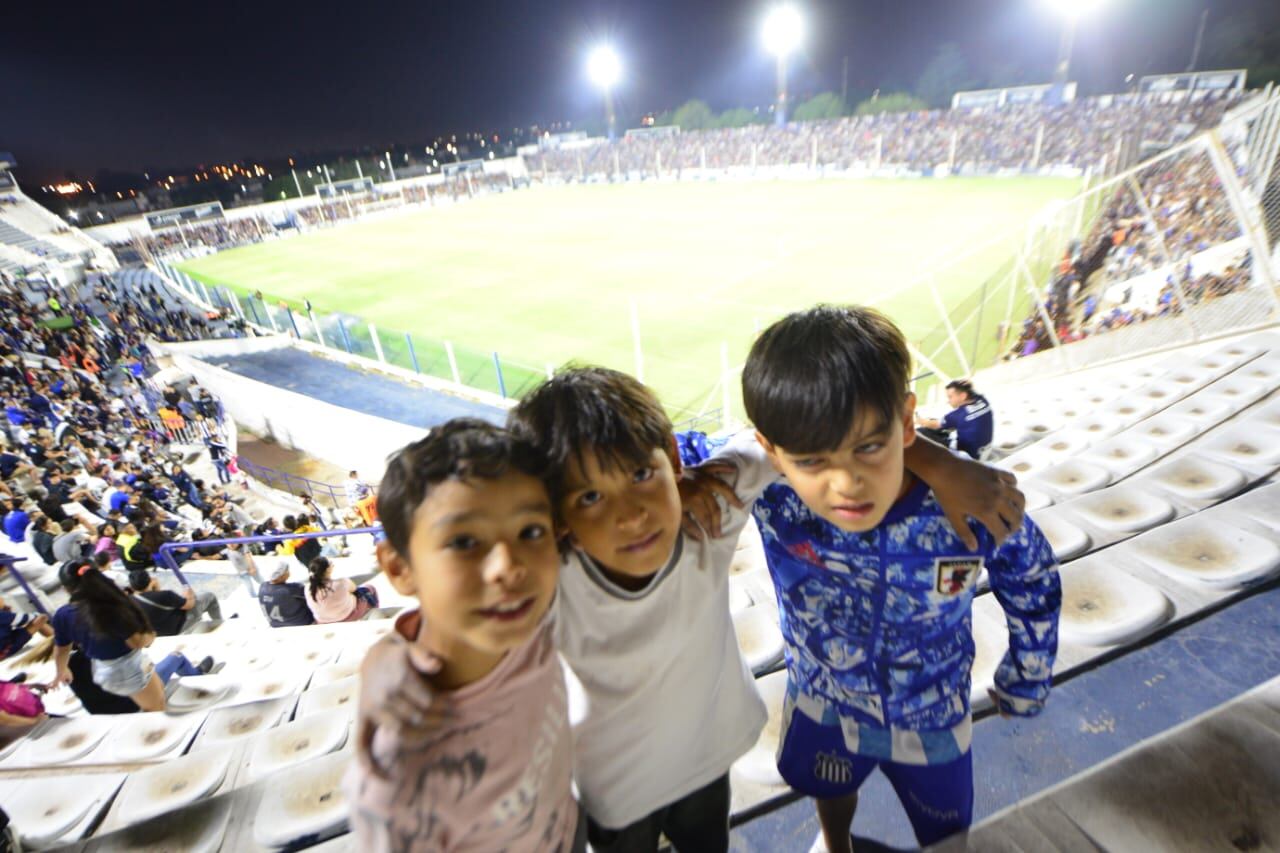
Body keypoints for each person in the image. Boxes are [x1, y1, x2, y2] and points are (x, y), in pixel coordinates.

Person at [356, 369, 1019, 852]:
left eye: (642, 475)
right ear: (557, 516)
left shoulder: (710, 505)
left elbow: (800, 435)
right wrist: (388, 666)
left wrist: (936, 459)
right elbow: (450, 627)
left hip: (710, 764)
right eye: (589, 498)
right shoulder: (546, 579)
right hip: (614, 791)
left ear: (673, 461)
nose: (631, 512)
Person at [699, 306, 1059, 852]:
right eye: (812, 460)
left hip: (933, 714)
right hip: (823, 702)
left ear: (909, 422)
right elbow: (670, 453)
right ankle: (835, 842)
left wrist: (1026, 675)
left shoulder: (971, 505)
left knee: (945, 831)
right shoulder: (774, 492)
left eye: (870, 446)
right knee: (828, 792)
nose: (847, 483)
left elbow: (1033, 580)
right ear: (772, 453)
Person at [346, 419, 581, 852]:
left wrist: (380, 655)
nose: (508, 567)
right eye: (463, 542)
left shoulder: (530, 618)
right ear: (398, 568)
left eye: (530, 531)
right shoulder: (398, 779)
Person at [47, 561, 170, 712]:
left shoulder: (63, 614)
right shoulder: (108, 608)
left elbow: (61, 649)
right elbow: (137, 642)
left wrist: (61, 670)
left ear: (65, 589)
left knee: (158, 694)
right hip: (127, 669)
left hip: (103, 669)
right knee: (156, 708)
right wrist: (151, 636)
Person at [126, 570, 223, 635]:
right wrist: (190, 595)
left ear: (132, 586)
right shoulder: (165, 595)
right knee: (209, 596)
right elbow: (189, 605)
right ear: (150, 580)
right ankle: (219, 621)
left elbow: (154, 600)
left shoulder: (128, 601)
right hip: (182, 626)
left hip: (158, 633)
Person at [917, 379, 994, 460]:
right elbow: (974, 393)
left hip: (969, 457)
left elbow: (935, 424)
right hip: (986, 449)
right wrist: (970, 385)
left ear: (963, 396)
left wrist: (920, 421)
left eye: (950, 397)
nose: (948, 401)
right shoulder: (983, 401)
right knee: (951, 425)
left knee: (921, 431)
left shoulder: (958, 415)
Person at [304, 557, 378, 623]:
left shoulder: (307, 588)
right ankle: (376, 613)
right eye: (331, 563)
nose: (333, 565)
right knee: (369, 588)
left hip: (323, 621)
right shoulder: (341, 582)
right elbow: (355, 589)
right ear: (328, 570)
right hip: (348, 616)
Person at [258, 562, 316, 628]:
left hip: (275, 624)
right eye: (287, 571)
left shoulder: (263, 586)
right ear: (284, 575)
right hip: (300, 622)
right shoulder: (293, 588)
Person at [0, 596, 52, 661]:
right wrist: (38, 615)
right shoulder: (2, 615)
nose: (2, 598)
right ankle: (60, 640)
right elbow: (26, 619)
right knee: (40, 619)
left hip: (6, 640)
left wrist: (6, 612)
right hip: (5, 648)